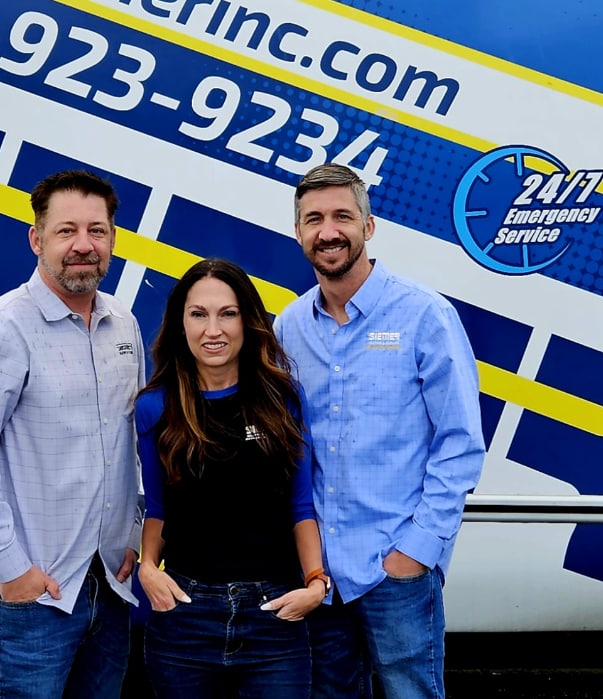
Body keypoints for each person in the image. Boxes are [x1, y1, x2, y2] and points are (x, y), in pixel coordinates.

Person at [273, 163, 486, 699]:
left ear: (369, 227)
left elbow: (459, 445)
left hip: (396, 569)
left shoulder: (424, 316)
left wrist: (417, 549)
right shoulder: (288, 327)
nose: (328, 231)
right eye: (313, 219)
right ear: (298, 232)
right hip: (320, 576)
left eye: (343, 216)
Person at [0, 170, 144, 699]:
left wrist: (135, 541)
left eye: (97, 231)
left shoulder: (124, 324)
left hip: (110, 588)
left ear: (113, 241)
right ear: (36, 239)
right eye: (66, 231)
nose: (83, 245)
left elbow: (131, 446)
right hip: (32, 597)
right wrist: (14, 571)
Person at [134, 257, 330, 699]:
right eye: (198, 315)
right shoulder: (155, 408)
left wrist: (316, 583)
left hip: (275, 616)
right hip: (185, 615)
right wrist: (148, 567)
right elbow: (159, 508)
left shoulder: (281, 400)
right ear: (180, 324)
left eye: (227, 313)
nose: (213, 330)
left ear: (248, 320)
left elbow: (300, 507)